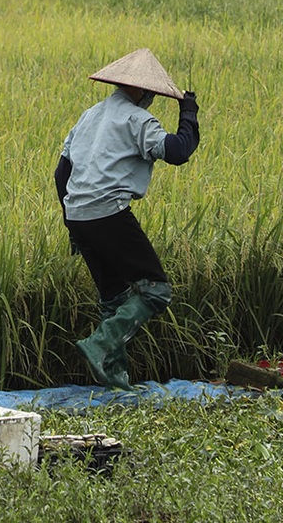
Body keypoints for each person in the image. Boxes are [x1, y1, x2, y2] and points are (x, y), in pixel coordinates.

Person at [55, 47, 200, 389]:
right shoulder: (137, 120)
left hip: (78, 214)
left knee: (115, 299)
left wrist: (70, 221)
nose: (151, 98)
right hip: (108, 213)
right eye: (150, 93)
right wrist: (189, 114)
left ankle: (114, 380)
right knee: (156, 291)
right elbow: (178, 152)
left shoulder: (89, 115)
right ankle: (100, 343)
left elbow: (62, 174)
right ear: (140, 90)